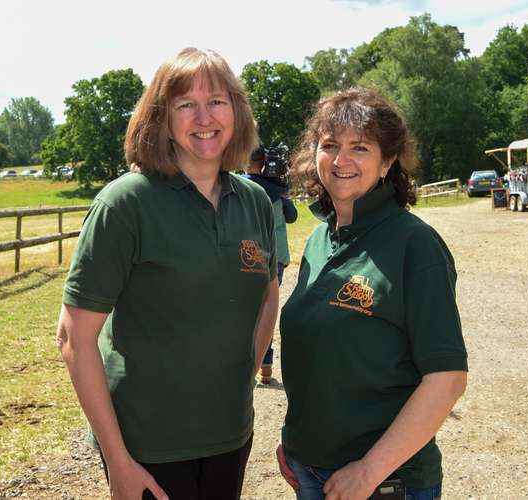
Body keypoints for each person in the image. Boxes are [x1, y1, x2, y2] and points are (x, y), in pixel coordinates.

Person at [56, 47, 279, 500]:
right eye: (185, 104)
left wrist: (243, 375)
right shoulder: (126, 203)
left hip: (229, 436)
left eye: (217, 101)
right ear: (161, 118)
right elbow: (73, 338)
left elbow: (268, 291)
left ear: (236, 111)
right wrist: (119, 460)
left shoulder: (253, 200)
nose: (204, 116)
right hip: (147, 447)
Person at [276, 88, 468, 500]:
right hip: (309, 471)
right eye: (329, 146)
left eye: (359, 147)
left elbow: (447, 380)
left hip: (382, 482)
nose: (341, 160)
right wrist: (296, 442)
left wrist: (368, 471)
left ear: (388, 161)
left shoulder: (415, 245)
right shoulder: (318, 240)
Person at [243, 143, 298, 383]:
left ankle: (248, 366)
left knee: (247, 312)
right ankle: (266, 368)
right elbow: (292, 217)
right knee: (268, 310)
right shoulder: (278, 189)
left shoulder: (241, 186)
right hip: (277, 256)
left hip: (249, 257)